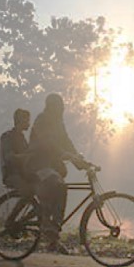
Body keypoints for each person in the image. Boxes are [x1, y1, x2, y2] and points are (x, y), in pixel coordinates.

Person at [27, 93, 83, 253]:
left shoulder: (59, 122)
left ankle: (53, 234)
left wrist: (78, 159)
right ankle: (48, 224)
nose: (61, 110)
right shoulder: (41, 120)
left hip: (52, 165)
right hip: (38, 163)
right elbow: (47, 143)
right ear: (51, 107)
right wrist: (63, 154)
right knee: (58, 185)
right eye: (59, 107)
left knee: (60, 187)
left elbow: (66, 140)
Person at [0, 108, 35, 194]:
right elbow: (9, 157)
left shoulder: (21, 137)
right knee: (28, 192)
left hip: (23, 173)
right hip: (12, 175)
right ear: (20, 120)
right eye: (27, 120)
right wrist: (27, 156)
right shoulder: (8, 136)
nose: (29, 123)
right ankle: (18, 208)